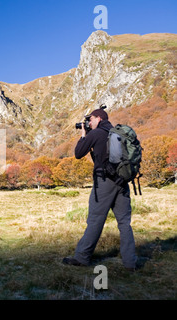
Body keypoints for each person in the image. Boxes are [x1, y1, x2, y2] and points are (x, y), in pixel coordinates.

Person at [62, 108, 137, 271]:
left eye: (90, 119)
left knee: (95, 219)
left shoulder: (96, 134)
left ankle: (82, 258)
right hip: (122, 181)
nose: (89, 123)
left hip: (104, 182)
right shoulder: (117, 132)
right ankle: (130, 262)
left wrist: (84, 135)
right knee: (124, 222)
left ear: (99, 118)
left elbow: (78, 153)